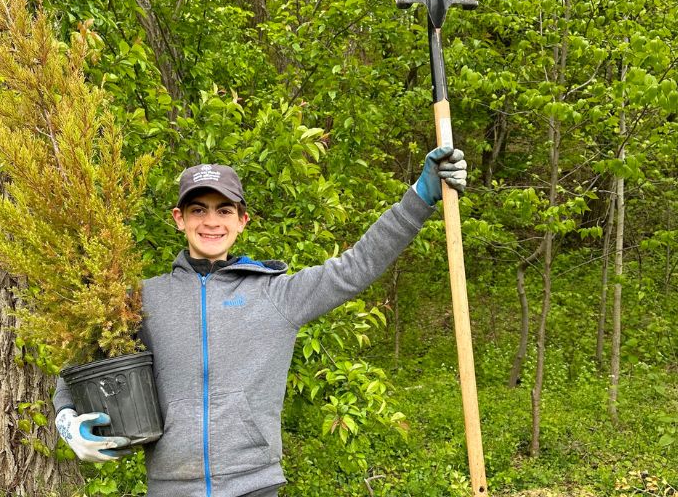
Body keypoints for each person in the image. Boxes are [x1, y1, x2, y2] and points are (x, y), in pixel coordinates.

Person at [53, 147, 468, 497]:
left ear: (242, 221)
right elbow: (79, 360)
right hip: (169, 487)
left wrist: (421, 196)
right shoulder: (142, 299)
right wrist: (66, 419)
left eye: (224, 209)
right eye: (198, 209)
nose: (211, 221)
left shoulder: (276, 293)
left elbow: (356, 267)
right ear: (179, 218)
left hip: (254, 485)